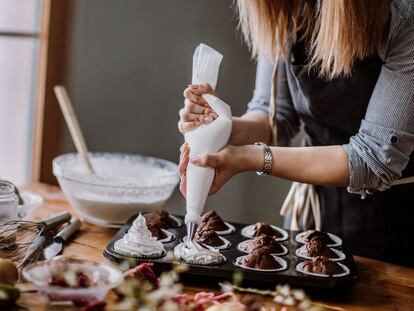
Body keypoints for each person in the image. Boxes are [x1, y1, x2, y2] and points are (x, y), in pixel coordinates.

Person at [178, 0, 414, 266]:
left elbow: (373, 160)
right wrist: (220, 126)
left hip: (393, 223)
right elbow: (276, 119)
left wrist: (247, 158)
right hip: (313, 214)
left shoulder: (403, 15)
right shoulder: (281, 7)